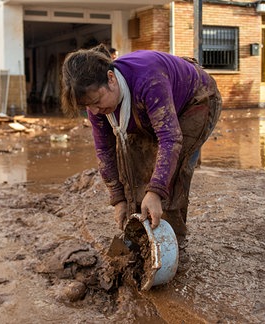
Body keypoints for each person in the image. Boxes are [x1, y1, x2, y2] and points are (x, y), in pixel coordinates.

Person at [61, 44, 222, 244]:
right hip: (146, 106)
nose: (93, 111)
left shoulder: (149, 79)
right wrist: (118, 199)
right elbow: (105, 151)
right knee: (135, 164)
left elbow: (170, 139)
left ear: (111, 78)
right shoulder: (96, 105)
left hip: (195, 100)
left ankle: (171, 243)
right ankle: (140, 234)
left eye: (96, 101)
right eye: (87, 107)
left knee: (170, 174)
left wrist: (155, 191)